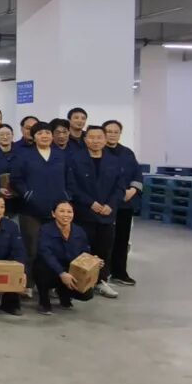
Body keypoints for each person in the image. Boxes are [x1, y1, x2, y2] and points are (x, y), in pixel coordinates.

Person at [67, 125, 126, 299]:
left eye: (99, 137)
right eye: (91, 137)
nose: (95, 141)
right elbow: (71, 186)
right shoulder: (75, 159)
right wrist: (90, 203)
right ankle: (78, 282)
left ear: (105, 139)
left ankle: (100, 281)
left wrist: (111, 204)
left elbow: (120, 187)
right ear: (85, 140)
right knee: (81, 248)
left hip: (107, 214)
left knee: (104, 249)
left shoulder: (114, 161)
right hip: (84, 213)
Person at [10, 121, 69, 290]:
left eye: (48, 133)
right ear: (34, 137)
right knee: (32, 248)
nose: (44, 136)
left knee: (54, 248)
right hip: (31, 210)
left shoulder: (60, 155)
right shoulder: (24, 155)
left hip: (56, 210)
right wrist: (27, 194)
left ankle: (51, 285)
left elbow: (69, 178)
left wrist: (66, 197)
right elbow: (16, 179)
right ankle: (28, 284)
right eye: (40, 133)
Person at [35, 200, 97, 315]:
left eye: (69, 212)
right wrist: (61, 273)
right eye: (62, 211)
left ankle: (63, 293)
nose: (66, 215)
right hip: (51, 269)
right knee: (41, 267)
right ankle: (44, 301)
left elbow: (85, 253)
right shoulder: (45, 230)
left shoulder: (79, 231)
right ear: (53, 214)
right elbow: (46, 253)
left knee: (87, 294)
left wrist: (93, 261)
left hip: (71, 269)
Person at [103, 119, 143, 286]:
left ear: (120, 134)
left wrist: (132, 190)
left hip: (125, 204)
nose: (112, 134)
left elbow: (137, 174)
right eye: (109, 131)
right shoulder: (99, 152)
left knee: (121, 239)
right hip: (105, 204)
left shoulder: (127, 153)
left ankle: (119, 272)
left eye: (116, 132)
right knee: (104, 240)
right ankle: (101, 275)